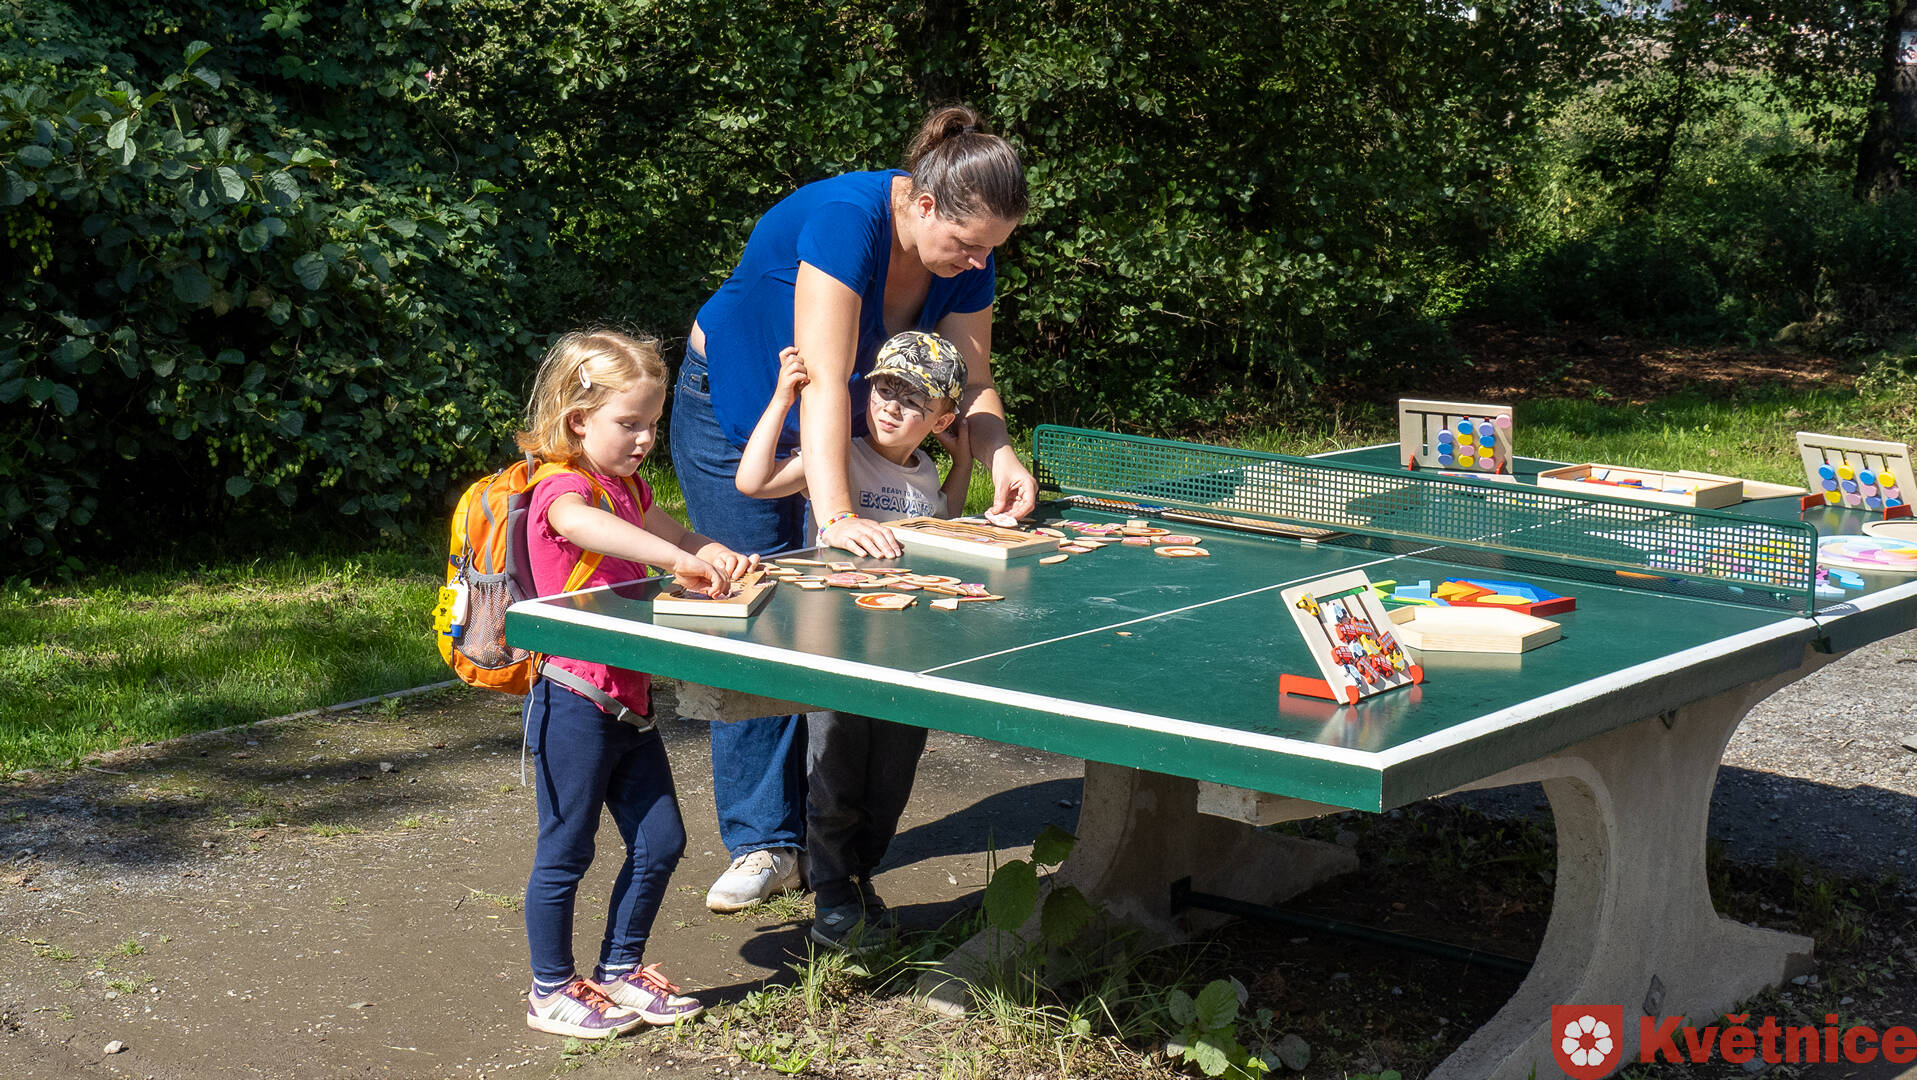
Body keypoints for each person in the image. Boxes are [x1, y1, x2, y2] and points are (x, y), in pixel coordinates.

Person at [671, 103, 1036, 913]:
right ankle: (764, 841)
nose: (978, 262)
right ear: (923, 204)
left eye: (992, 249)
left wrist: (999, 453)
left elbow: (973, 381)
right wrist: (836, 517)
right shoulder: (847, 220)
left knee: (828, 620)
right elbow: (826, 384)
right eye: (967, 243)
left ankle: (826, 839)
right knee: (755, 613)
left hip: (849, 435)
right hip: (739, 417)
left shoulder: (966, 258)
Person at [515, 330, 757, 1038]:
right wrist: (673, 561)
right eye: (630, 423)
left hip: (631, 702)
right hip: (573, 698)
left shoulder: (629, 488)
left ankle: (620, 969)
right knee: (566, 851)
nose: (646, 438)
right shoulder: (563, 488)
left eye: (653, 422)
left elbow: (675, 535)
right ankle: (550, 989)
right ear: (577, 420)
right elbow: (585, 526)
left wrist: (714, 552)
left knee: (661, 841)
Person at [735, 330, 971, 948]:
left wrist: (965, 463)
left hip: (904, 652)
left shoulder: (926, 472)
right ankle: (833, 897)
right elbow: (753, 482)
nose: (891, 406)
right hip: (836, 645)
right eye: (884, 389)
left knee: (890, 781)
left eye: (913, 400)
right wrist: (783, 401)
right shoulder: (836, 454)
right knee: (836, 776)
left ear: (942, 420)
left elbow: (943, 522)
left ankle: (858, 880)